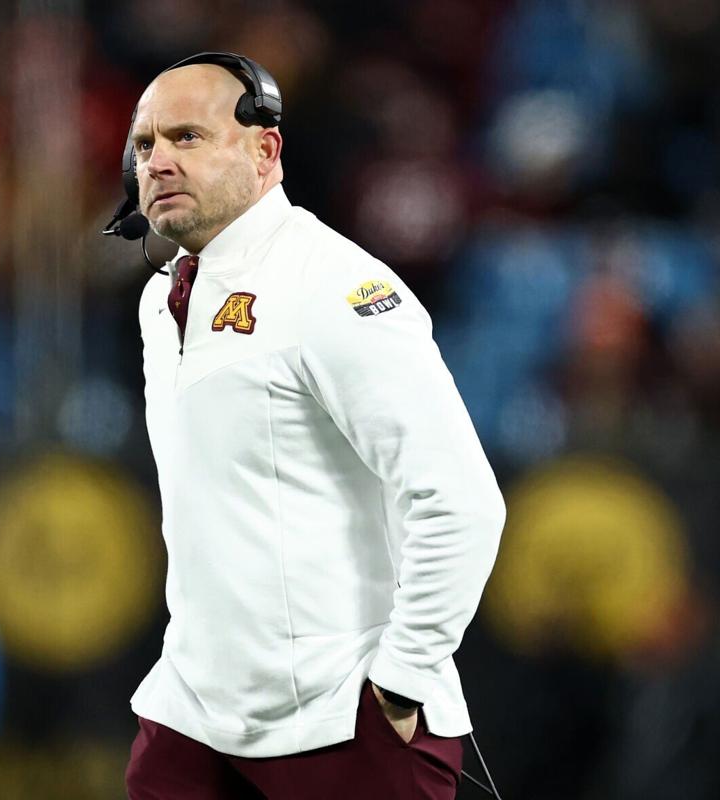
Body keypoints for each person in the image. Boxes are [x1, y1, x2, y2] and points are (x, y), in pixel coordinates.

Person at [122, 53, 506, 800]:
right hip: (195, 713)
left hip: (340, 716)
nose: (159, 161)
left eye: (187, 137)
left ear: (264, 150)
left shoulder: (334, 287)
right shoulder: (161, 299)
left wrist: (403, 676)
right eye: (144, 145)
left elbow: (461, 502)